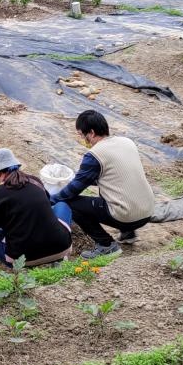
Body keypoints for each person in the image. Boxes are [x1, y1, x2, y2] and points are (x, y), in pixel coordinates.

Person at [50, 110, 155, 258]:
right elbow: (115, 175)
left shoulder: (94, 155)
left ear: (91, 133)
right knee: (117, 192)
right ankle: (128, 233)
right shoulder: (127, 142)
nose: (83, 139)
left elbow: (74, 190)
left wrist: (50, 199)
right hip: (147, 211)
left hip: (126, 216)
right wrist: (80, 177)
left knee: (71, 203)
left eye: (81, 135)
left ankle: (106, 245)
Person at [0, 149, 72, 267]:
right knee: (61, 206)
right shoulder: (35, 181)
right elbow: (47, 204)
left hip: (23, 259)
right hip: (61, 248)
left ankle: (24, 265)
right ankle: (56, 259)